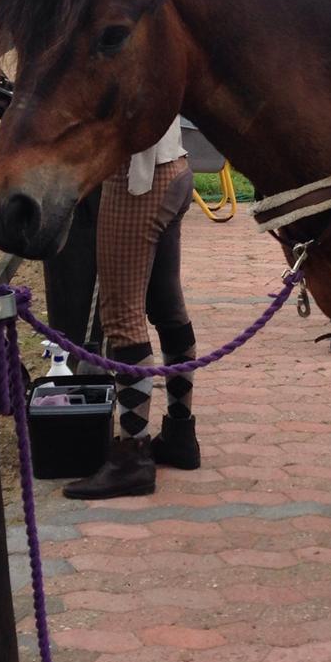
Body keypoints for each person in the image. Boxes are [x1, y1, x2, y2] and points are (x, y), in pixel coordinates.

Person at [63, 116, 200, 498]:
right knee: (168, 308)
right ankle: (180, 434)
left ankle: (132, 457)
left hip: (137, 179)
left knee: (121, 316)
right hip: (175, 166)